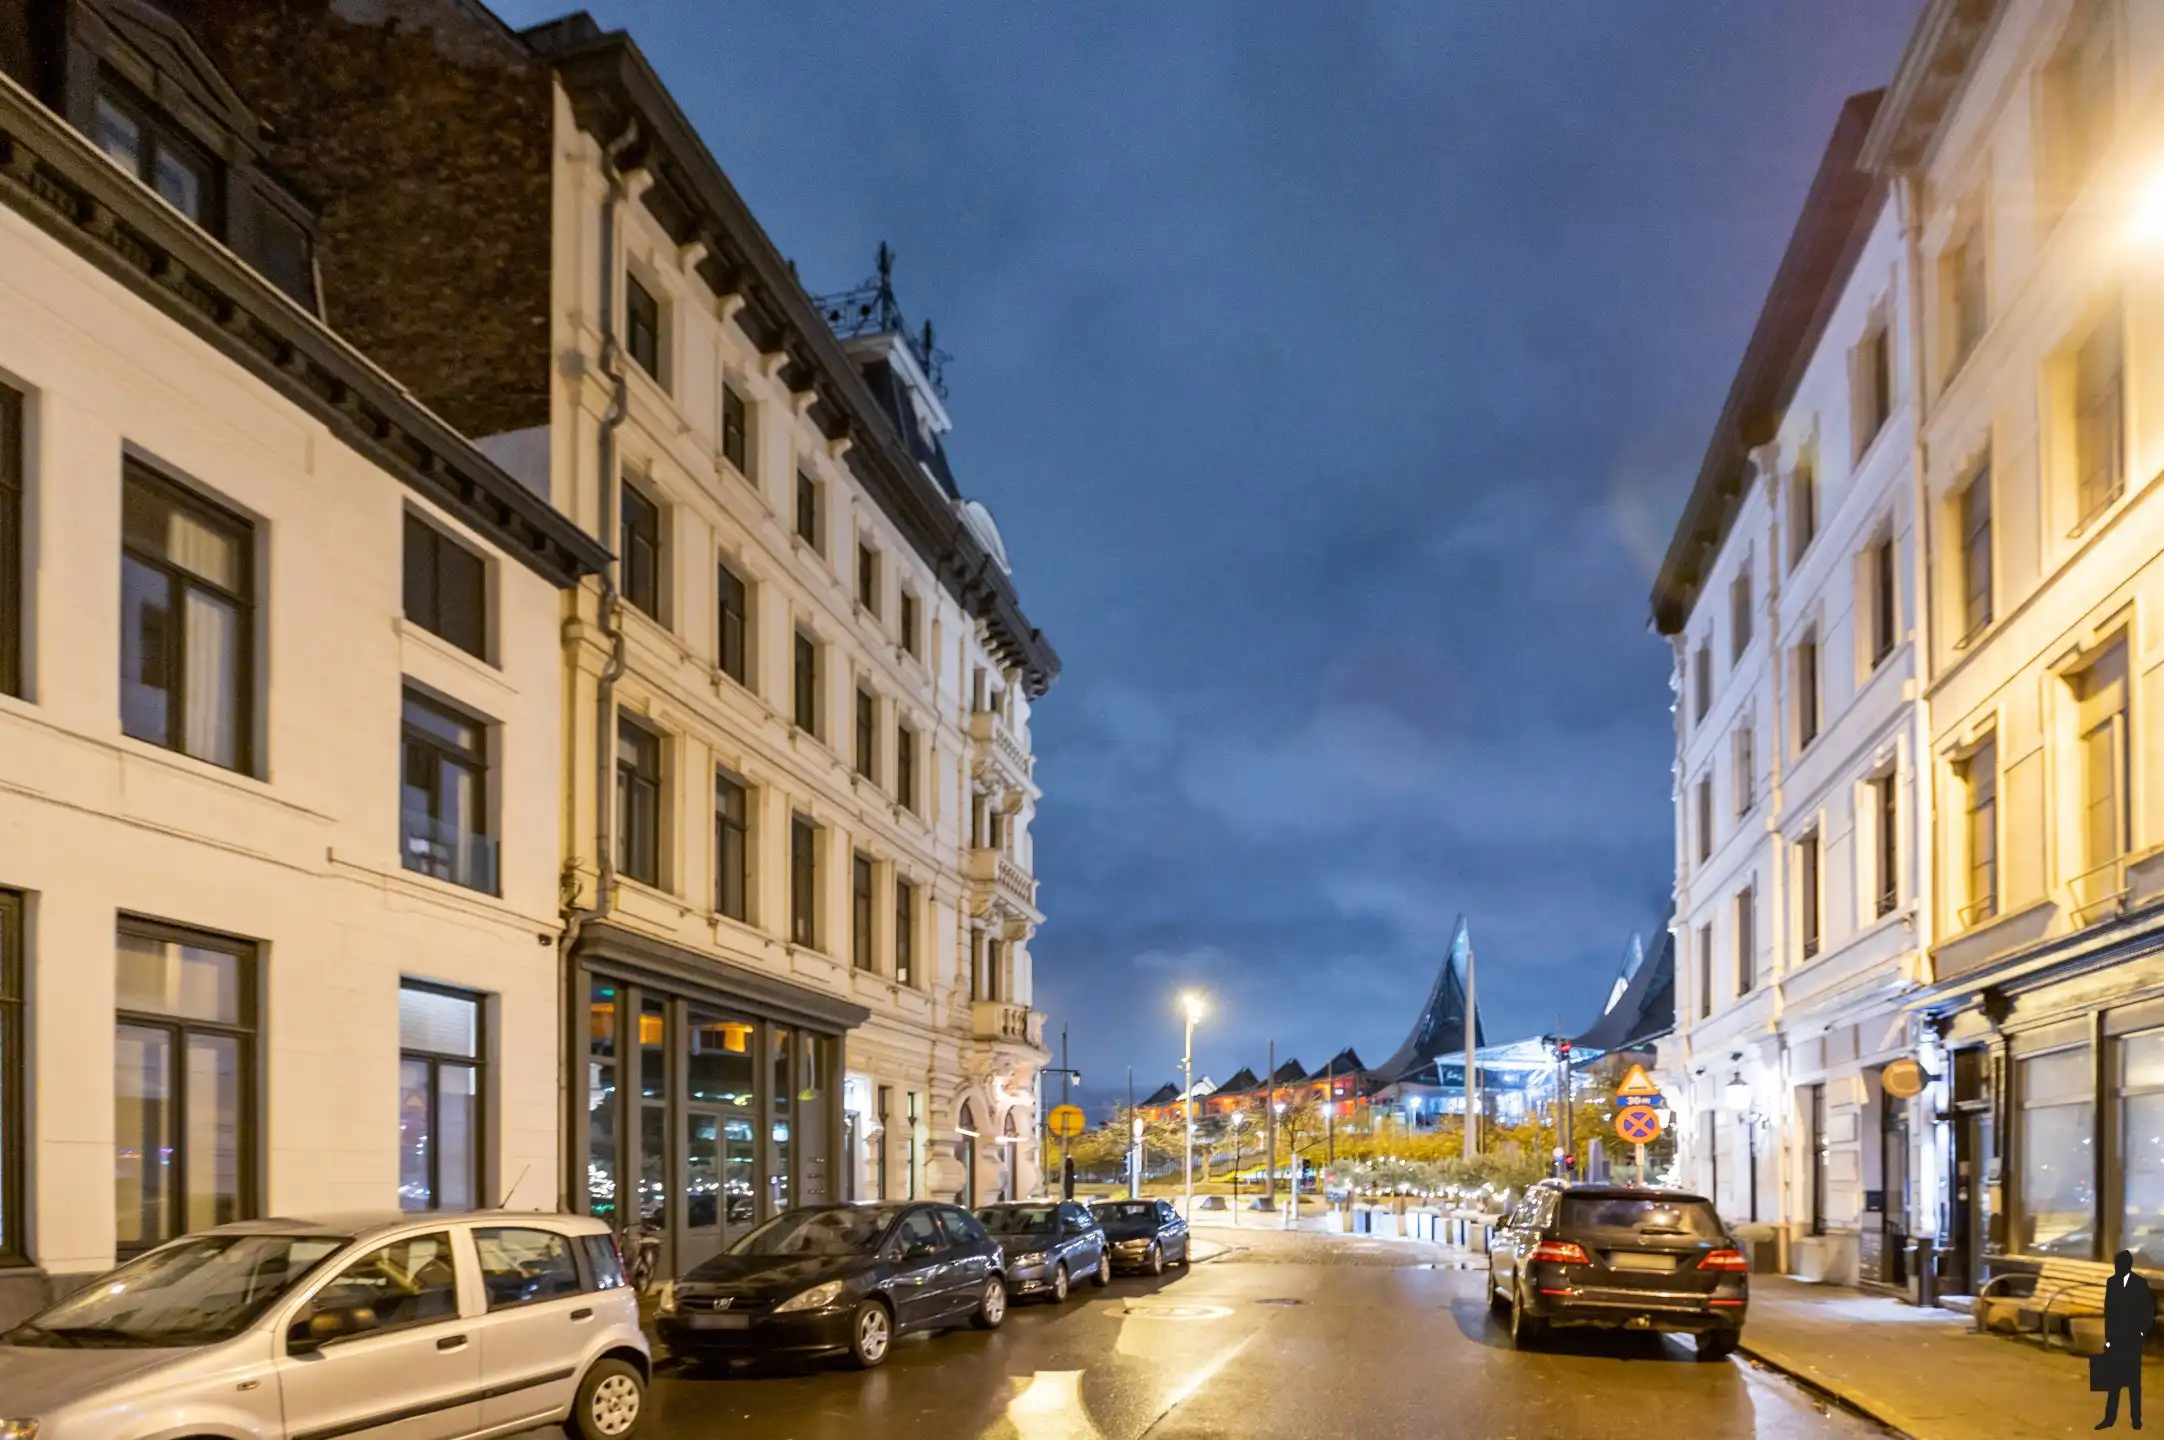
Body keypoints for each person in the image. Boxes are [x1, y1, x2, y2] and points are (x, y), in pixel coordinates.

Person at [2099, 1249, 2154, 1430]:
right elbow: (2109, 1312)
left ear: (2127, 1266)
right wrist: (2108, 1338)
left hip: (2131, 1337)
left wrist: (2140, 1334)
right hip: (2116, 1337)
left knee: (2133, 1382)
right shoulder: (2112, 1282)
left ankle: (2136, 1419)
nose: (2117, 1268)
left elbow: (2147, 1311)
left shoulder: (2139, 1284)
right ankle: (2109, 1418)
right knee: (2113, 1381)